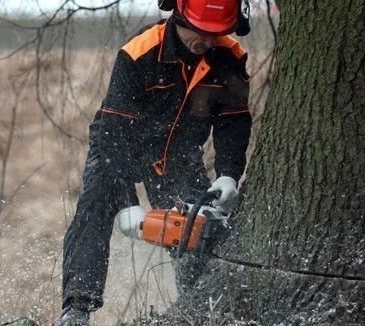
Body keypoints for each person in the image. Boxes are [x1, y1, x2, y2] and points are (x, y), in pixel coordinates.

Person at [60, 0, 252, 324]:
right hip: (119, 146)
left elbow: (232, 121)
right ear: (179, 15)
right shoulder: (140, 53)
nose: (206, 41)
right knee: (94, 205)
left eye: (215, 33)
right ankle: (77, 310)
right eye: (201, 32)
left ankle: (198, 309)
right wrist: (126, 203)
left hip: (178, 155)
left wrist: (228, 175)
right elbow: (113, 131)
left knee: (196, 227)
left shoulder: (229, 58)